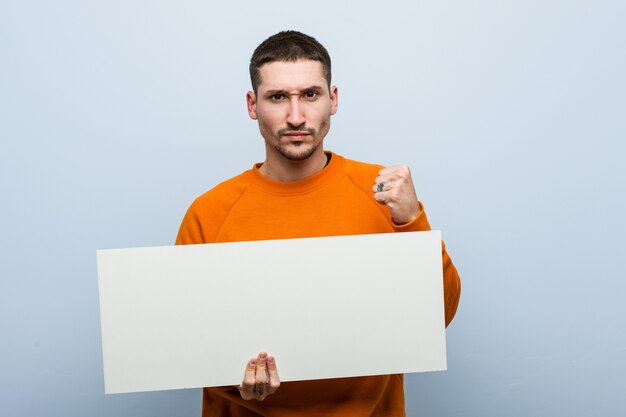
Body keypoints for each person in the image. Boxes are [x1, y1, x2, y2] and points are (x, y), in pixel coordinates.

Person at [176, 30, 461, 417]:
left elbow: (437, 318)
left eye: (310, 94)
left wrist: (412, 221)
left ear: (334, 100)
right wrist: (230, 378)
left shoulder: (383, 193)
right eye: (278, 97)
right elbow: (183, 343)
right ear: (252, 104)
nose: (296, 116)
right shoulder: (209, 212)